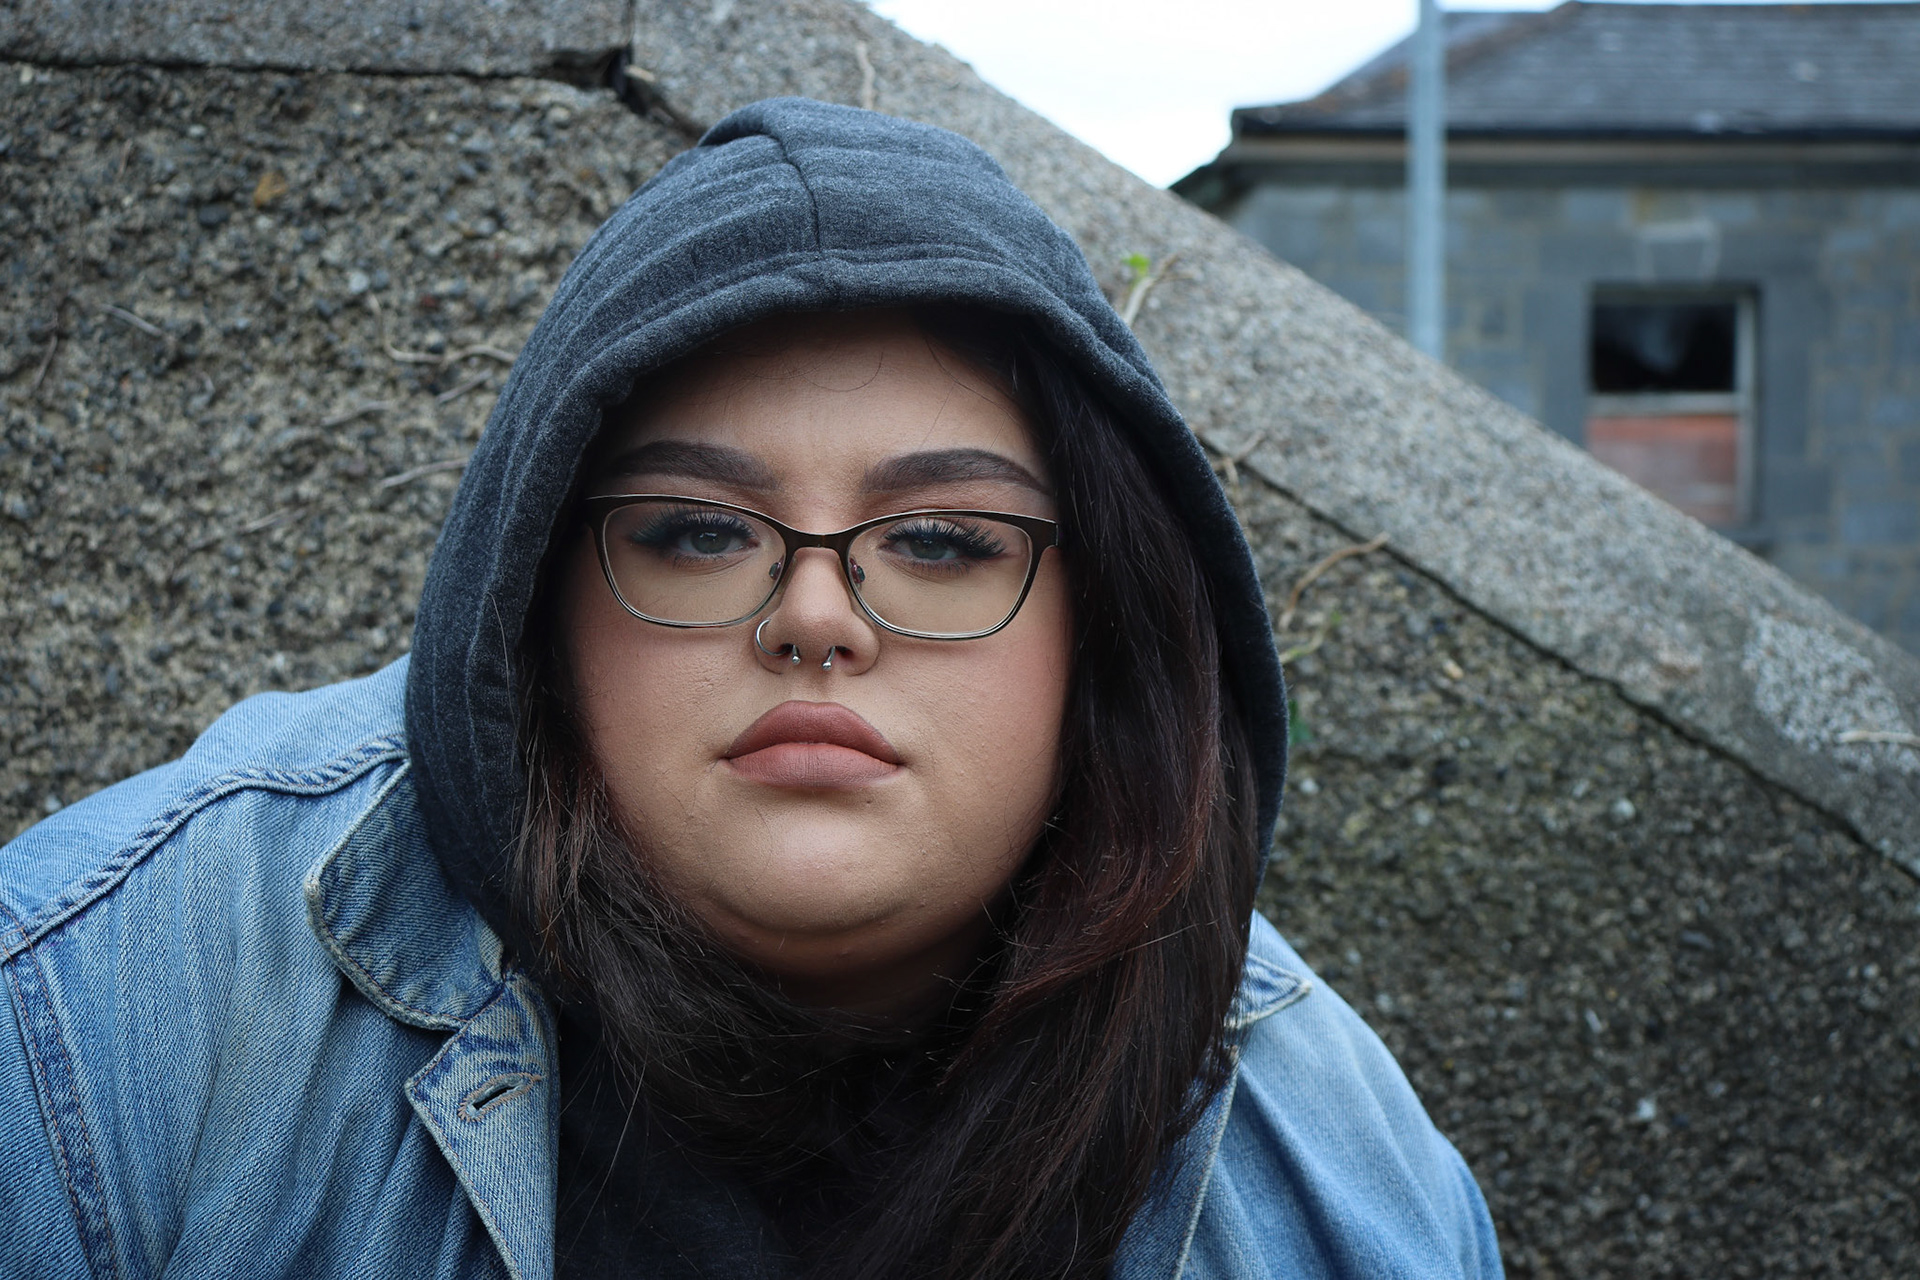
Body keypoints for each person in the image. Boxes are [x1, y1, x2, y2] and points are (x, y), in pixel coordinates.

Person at [0, 99, 1501, 1279]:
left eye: (941, 542)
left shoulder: (1336, 1169)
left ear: (1106, 634)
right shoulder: (104, 1017)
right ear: (534, 608)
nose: (814, 619)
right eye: (697, 532)